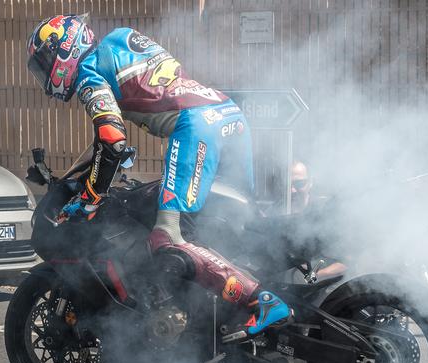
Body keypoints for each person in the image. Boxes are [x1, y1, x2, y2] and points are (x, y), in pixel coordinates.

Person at [26, 14, 291, 342]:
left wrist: (89, 198)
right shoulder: (121, 39)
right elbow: (114, 137)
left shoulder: (88, 73)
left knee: (166, 239)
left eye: (44, 62)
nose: (45, 73)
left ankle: (258, 299)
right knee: (229, 220)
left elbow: (111, 139)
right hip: (227, 116)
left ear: (64, 49)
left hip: (196, 127)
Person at [290, 161, 347, 279]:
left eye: (299, 183)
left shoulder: (324, 214)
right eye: (287, 184)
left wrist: (315, 276)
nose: (292, 190)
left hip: (314, 291)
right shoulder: (273, 213)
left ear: (310, 182)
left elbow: (345, 262)